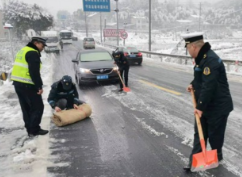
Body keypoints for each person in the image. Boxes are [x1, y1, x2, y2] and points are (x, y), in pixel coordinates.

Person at [181, 32, 233, 171]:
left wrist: (200, 107)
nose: (187, 51)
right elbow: (201, 79)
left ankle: (217, 158)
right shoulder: (201, 58)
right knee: (200, 133)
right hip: (205, 105)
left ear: (193, 46)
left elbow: (209, 85)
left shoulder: (210, 60)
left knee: (215, 136)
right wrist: (193, 84)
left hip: (218, 106)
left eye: (187, 48)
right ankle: (194, 161)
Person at [11, 37, 49, 137]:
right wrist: (39, 86)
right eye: (42, 45)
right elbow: (34, 72)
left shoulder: (22, 50)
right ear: (36, 43)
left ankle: (30, 130)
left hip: (18, 83)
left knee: (26, 107)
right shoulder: (32, 53)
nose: (43, 48)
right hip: (27, 84)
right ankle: (35, 129)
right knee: (37, 107)